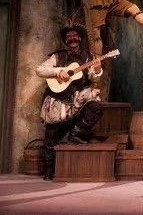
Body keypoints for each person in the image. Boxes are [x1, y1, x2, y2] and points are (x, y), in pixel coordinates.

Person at [35, 23, 104, 181]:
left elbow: (94, 78)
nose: (72, 38)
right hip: (58, 97)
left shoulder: (88, 57)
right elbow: (40, 70)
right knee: (51, 134)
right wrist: (58, 71)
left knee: (95, 106)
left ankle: (74, 134)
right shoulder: (57, 56)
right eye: (68, 36)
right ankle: (49, 169)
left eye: (75, 35)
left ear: (80, 38)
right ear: (65, 40)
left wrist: (97, 69)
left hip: (78, 96)